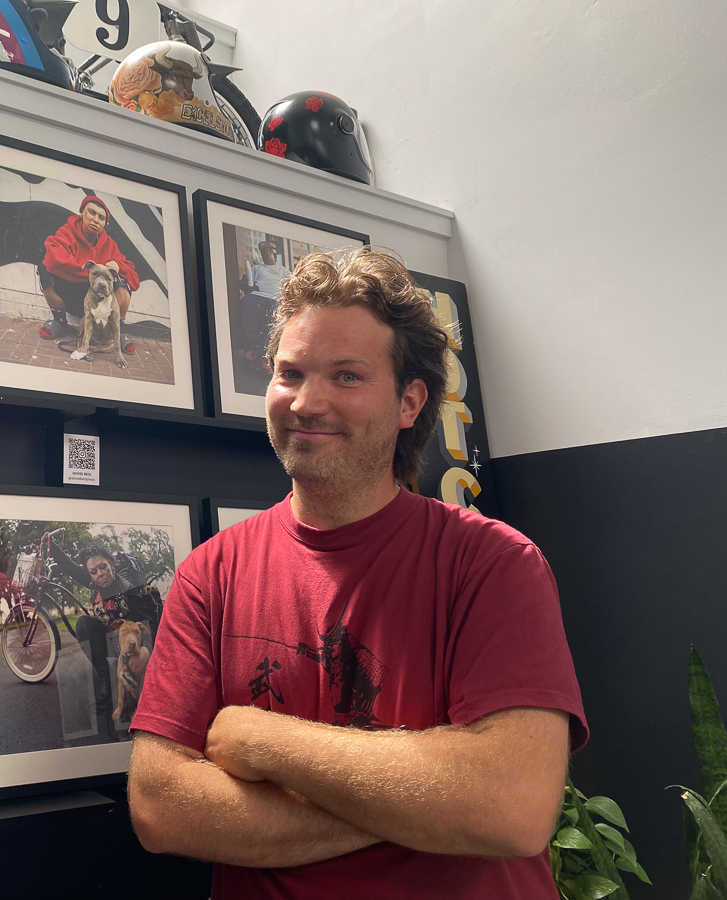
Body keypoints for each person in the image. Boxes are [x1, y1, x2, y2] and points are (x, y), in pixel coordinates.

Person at [128, 249, 586, 899]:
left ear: (409, 402)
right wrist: (423, 800)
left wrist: (259, 738)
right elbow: (160, 806)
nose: (307, 402)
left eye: (347, 376)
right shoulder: (211, 575)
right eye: (290, 373)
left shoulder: (495, 565)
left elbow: (511, 806)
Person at [48, 537, 157, 741]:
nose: (100, 574)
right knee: (83, 624)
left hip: (127, 641)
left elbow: (146, 623)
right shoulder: (92, 581)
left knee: (122, 647)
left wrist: (145, 651)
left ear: (111, 565)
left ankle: (129, 718)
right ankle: (105, 678)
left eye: (103, 567)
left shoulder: (129, 590)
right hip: (108, 638)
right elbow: (69, 566)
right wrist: (52, 547)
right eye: (94, 571)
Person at [37, 195, 141, 355]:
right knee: (44, 268)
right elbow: (54, 257)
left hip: (98, 303)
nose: (95, 220)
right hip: (71, 295)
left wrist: (118, 266)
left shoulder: (110, 244)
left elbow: (133, 276)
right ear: (81, 213)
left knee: (122, 282)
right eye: (91, 213)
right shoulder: (67, 232)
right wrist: (90, 272)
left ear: (105, 224)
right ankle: (60, 321)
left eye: (101, 218)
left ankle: (116, 331)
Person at [238, 240, 291, 362]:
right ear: (262, 256)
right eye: (264, 252)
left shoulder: (282, 270)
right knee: (246, 301)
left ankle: (268, 352)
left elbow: (293, 283)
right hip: (257, 295)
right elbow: (247, 284)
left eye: (269, 252)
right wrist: (245, 281)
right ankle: (254, 345)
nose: (267, 254)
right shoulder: (257, 268)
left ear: (273, 254)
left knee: (274, 313)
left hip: (274, 297)